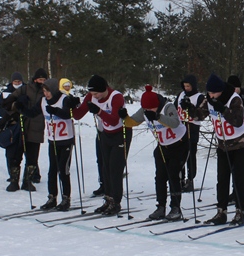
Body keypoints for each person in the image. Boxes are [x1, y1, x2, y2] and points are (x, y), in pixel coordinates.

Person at [192, 73, 244, 224]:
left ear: (221, 90)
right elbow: (199, 115)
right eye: (209, 93)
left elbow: (237, 121)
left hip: (240, 144)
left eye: (214, 93)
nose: (211, 96)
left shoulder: (234, 99)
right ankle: (221, 211)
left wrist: (223, 110)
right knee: (222, 179)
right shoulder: (210, 100)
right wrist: (190, 110)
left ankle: (240, 211)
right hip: (223, 145)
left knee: (239, 179)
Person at [73, 75, 130, 217]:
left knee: (115, 168)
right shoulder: (92, 96)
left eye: (96, 93)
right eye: (92, 94)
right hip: (105, 134)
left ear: (104, 89)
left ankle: (116, 202)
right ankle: (108, 199)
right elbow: (78, 115)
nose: (94, 97)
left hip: (121, 133)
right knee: (105, 167)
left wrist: (98, 111)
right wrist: (72, 104)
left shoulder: (116, 97)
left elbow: (114, 120)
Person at [129, 85, 188, 221]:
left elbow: (174, 123)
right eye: (146, 109)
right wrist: (123, 117)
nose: (148, 111)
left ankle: (176, 208)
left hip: (179, 144)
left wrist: (157, 116)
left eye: (151, 108)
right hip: (163, 146)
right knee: (160, 177)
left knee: (174, 176)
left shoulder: (167, 107)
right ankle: (160, 207)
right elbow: (132, 121)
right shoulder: (145, 110)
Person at [1, 69, 48, 191]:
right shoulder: (25, 89)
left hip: (37, 128)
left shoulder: (46, 92)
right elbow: (6, 103)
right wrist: (17, 104)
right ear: (35, 79)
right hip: (21, 127)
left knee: (32, 158)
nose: (42, 82)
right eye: (40, 79)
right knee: (16, 156)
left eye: (44, 80)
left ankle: (28, 181)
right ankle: (14, 181)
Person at [38, 78, 79, 211]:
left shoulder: (63, 99)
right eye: (44, 91)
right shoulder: (43, 101)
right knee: (52, 170)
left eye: (48, 91)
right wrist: (21, 107)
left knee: (63, 170)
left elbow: (68, 114)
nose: (46, 94)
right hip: (53, 140)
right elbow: (33, 112)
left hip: (66, 140)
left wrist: (55, 111)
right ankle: (52, 197)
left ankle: (66, 199)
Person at [0, 72, 25, 191]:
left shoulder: (25, 90)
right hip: (10, 124)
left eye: (19, 81)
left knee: (26, 149)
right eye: (15, 82)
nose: (17, 83)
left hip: (24, 123)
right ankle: (12, 175)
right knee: (10, 150)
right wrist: (7, 115)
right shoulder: (5, 92)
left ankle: (32, 175)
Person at [175, 74, 204, 192]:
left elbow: (200, 115)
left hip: (192, 127)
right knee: (179, 154)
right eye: (185, 86)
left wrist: (190, 107)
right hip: (180, 126)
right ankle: (180, 178)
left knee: (190, 155)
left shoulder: (199, 97)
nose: (186, 88)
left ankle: (190, 180)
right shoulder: (181, 95)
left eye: (188, 86)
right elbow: (174, 107)